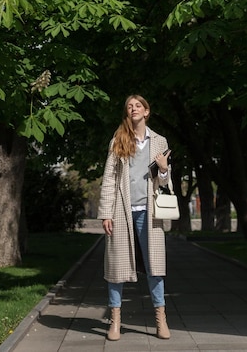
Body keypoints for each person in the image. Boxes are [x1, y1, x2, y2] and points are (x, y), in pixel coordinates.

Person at [97, 94, 171, 341]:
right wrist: (106, 213)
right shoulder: (118, 140)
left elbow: (164, 182)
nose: (133, 109)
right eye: (129, 106)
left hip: (150, 213)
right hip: (121, 211)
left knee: (155, 266)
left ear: (146, 111)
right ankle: (115, 320)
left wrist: (163, 168)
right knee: (116, 266)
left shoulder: (159, 141)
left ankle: (161, 319)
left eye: (138, 105)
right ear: (126, 113)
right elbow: (109, 178)